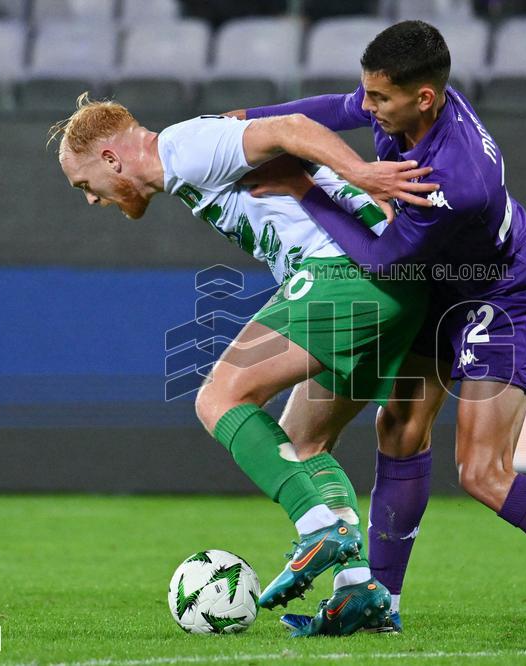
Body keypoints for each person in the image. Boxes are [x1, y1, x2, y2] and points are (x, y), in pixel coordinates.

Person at [233, 20, 526, 639]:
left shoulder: (458, 179)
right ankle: (381, 605)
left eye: (379, 98)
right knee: (398, 427)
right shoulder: (411, 105)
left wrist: (302, 187)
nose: (367, 106)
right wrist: (249, 122)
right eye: (369, 91)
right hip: (444, 278)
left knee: (482, 471)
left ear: (424, 97)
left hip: (501, 291)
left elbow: (385, 259)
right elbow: (336, 108)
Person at [49, 94, 438, 636]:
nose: (92, 198)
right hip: (393, 286)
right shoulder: (191, 157)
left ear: (111, 159)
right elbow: (272, 134)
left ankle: (318, 526)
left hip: (344, 275)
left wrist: (361, 173)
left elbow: (292, 126)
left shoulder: (181, 148)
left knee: (219, 398)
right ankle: (357, 589)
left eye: (84, 184)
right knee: (303, 444)